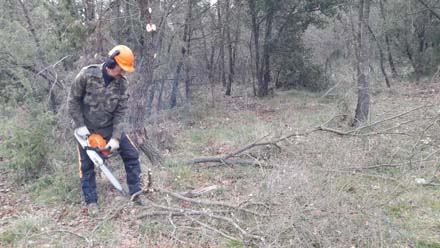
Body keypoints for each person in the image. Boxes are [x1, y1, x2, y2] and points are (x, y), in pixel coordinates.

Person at [68, 45, 144, 215]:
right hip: (86, 129)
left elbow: (121, 112)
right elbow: (72, 101)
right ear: (112, 61)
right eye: (122, 68)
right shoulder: (87, 75)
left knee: (131, 154)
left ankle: (136, 193)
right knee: (87, 166)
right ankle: (91, 202)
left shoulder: (122, 84)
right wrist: (81, 127)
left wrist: (116, 138)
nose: (124, 72)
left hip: (110, 127)